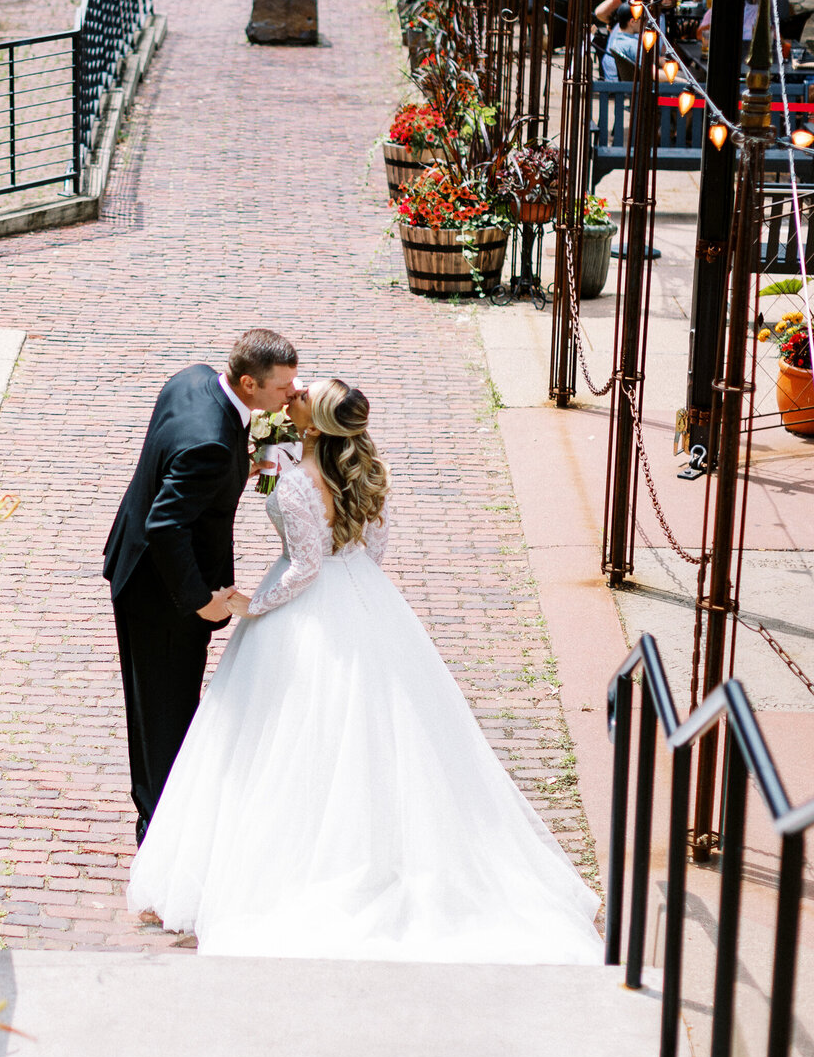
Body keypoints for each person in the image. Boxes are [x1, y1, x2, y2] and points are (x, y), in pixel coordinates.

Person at [129, 377, 602, 963]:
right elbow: (370, 551)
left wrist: (256, 604)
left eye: (303, 396)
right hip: (366, 597)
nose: (294, 392)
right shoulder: (363, 473)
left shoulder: (301, 482)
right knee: (379, 729)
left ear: (316, 423)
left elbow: (304, 568)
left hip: (303, 607)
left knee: (281, 735)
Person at [104, 329, 299, 846]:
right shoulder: (210, 442)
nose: (291, 395)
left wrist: (243, 467)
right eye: (283, 387)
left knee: (162, 705)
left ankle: (166, 819)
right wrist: (202, 601)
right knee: (164, 714)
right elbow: (166, 526)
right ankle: (158, 836)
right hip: (161, 594)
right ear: (249, 382)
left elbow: (180, 466)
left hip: (137, 566)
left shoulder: (193, 380)